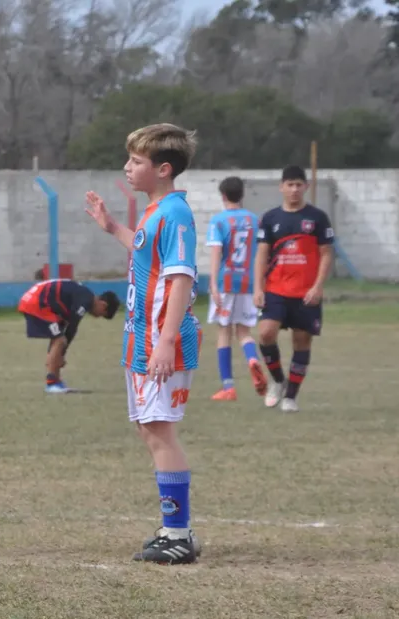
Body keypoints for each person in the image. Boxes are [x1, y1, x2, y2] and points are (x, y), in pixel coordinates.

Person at [84, 123, 202, 565]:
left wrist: (167, 342)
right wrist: (113, 226)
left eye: (136, 161)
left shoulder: (174, 213)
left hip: (160, 340)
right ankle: (174, 529)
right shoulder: (156, 212)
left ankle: (178, 534)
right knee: (149, 429)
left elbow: (180, 276)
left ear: (164, 168)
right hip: (142, 339)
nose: (127, 168)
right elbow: (143, 253)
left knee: (160, 430)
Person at [253, 165, 334, 413]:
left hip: (306, 292)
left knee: (301, 341)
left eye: (299, 184)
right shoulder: (270, 218)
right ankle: (278, 380)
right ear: (281, 187)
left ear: (306, 187)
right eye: (290, 184)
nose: (295, 189)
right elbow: (261, 255)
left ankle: (291, 397)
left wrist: (318, 286)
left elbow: (327, 254)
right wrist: (258, 288)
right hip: (276, 290)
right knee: (266, 334)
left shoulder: (318, 218)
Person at [205, 177, 267, 401]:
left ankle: (228, 388)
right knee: (243, 331)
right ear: (242, 195)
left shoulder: (219, 221)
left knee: (224, 332)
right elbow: (262, 252)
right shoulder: (254, 220)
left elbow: (216, 253)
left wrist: (212, 283)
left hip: (226, 282)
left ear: (223, 196)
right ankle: (252, 359)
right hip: (249, 283)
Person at [17, 276, 120, 393]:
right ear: (103, 305)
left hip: (34, 300)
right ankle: (52, 384)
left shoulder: (76, 297)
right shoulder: (86, 299)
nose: (97, 317)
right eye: (102, 314)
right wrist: (61, 355)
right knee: (60, 341)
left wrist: (59, 354)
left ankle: (56, 381)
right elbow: (72, 326)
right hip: (37, 303)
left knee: (58, 339)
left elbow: (64, 330)